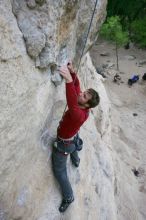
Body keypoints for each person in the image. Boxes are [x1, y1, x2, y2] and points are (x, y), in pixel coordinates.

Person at [52, 62, 100, 212]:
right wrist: (72, 74)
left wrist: (67, 81)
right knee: (75, 141)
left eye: (84, 96)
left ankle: (69, 196)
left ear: (87, 105)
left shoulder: (78, 114)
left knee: (60, 171)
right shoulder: (83, 107)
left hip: (64, 144)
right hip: (72, 137)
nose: (81, 93)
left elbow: (72, 102)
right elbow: (77, 87)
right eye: (84, 93)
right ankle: (76, 159)